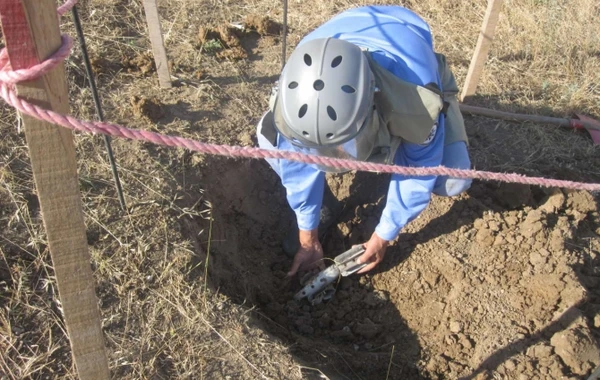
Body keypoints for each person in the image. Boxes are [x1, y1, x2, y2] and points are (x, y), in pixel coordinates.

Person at [256, 5, 472, 277]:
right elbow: (296, 166)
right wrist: (307, 236)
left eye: (345, 145)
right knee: (267, 139)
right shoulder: (291, 108)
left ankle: (445, 101)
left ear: (372, 109)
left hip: (407, 41)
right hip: (346, 27)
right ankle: (325, 202)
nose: (338, 156)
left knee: (454, 180)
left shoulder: (415, 103)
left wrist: (383, 234)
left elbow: (419, 169)